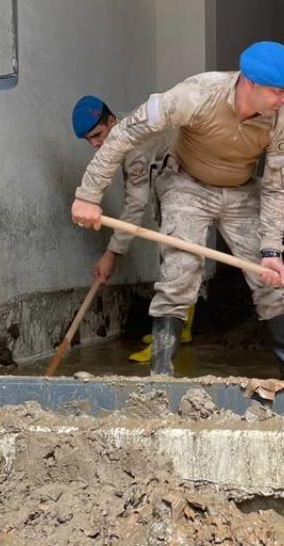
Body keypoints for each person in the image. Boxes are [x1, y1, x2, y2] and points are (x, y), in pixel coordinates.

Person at [70, 41, 284, 379]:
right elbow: (123, 134)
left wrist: (271, 250)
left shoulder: (283, 122)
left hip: (241, 192)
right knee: (179, 277)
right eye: (279, 92)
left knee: (272, 283)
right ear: (250, 82)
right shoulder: (196, 95)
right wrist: (88, 194)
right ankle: (161, 381)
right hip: (186, 185)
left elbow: (276, 187)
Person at [70, 95, 198, 364]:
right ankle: (181, 329)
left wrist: (111, 254)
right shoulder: (124, 123)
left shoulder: (133, 147)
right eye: (88, 140)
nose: (95, 144)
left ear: (112, 121)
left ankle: (167, 340)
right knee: (176, 252)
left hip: (186, 180)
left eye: (97, 135)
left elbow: (135, 205)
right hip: (174, 176)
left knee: (176, 256)